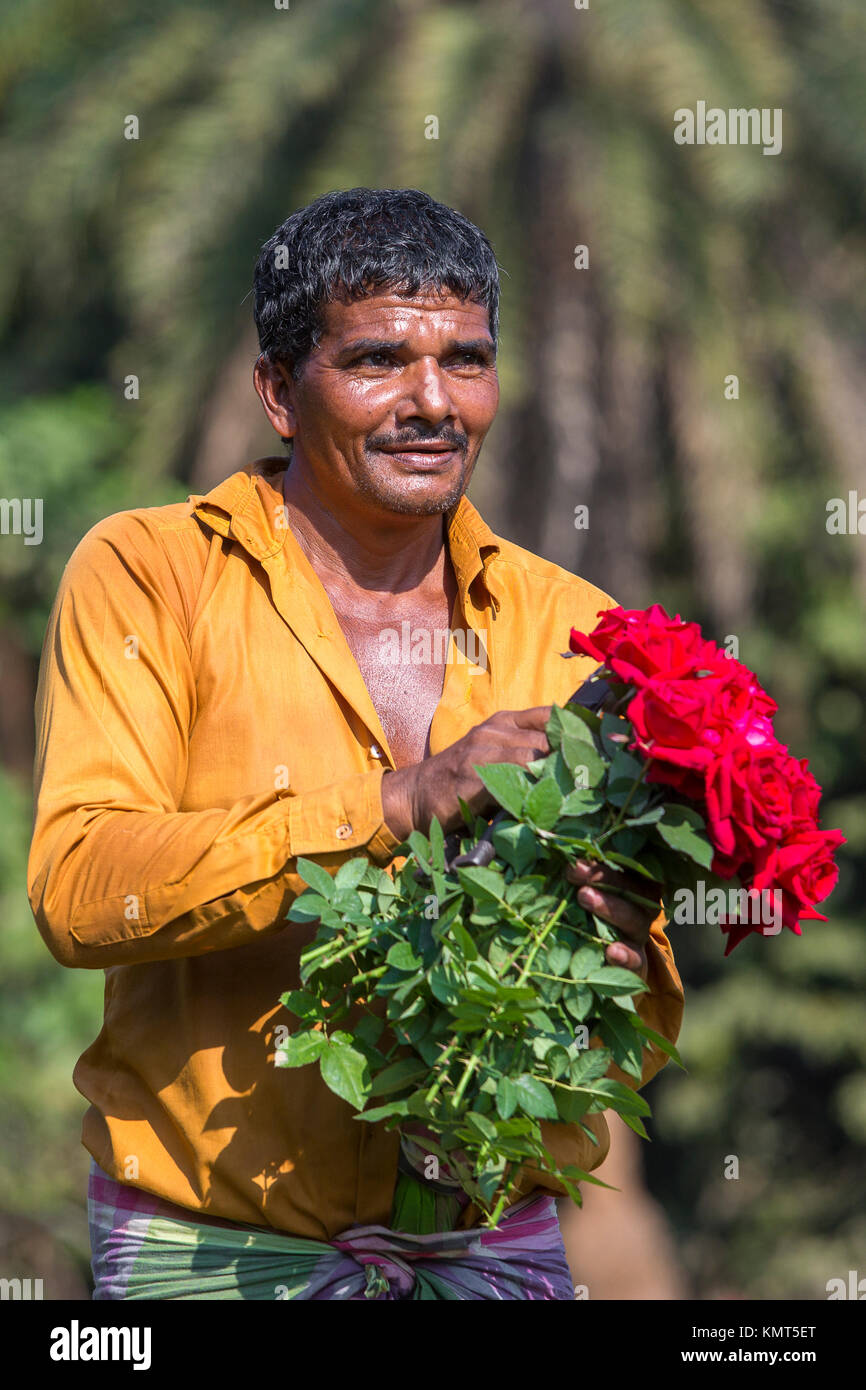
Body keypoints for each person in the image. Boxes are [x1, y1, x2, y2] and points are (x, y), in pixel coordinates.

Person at [28, 187, 684, 1300]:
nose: (432, 403)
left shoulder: (571, 626)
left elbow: (635, 1015)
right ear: (280, 391)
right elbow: (83, 888)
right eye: (378, 359)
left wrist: (620, 959)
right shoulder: (149, 573)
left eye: (465, 361)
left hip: (489, 1252)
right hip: (212, 1255)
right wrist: (392, 802)